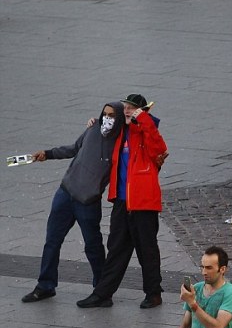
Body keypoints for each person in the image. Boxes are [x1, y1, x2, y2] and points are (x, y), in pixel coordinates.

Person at [21, 102, 125, 303]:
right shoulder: (93, 129)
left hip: (88, 202)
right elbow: (73, 148)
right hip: (65, 194)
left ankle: (102, 292)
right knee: (52, 240)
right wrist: (48, 154)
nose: (107, 118)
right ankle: (45, 286)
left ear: (119, 118)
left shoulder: (121, 142)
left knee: (93, 246)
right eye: (104, 114)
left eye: (112, 115)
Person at [77, 93, 168, 309]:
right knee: (116, 248)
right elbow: (103, 131)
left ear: (142, 110)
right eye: (125, 107)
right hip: (121, 200)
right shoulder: (120, 131)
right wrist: (94, 124)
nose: (127, 111)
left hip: (143, 202)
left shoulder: (146, 130)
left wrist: (143, 119)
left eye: (132, 108)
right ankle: (102, 294)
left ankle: (153, 294)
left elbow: (159, 149)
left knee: (147, 249)